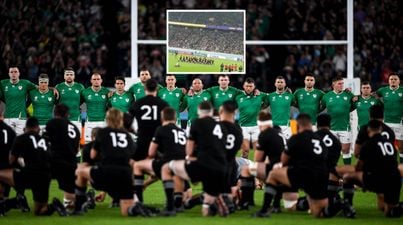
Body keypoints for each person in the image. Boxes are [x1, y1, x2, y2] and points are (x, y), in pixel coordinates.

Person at [253, 114, 328, 218]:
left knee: (274, 174)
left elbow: (283, 160)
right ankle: (339, 204)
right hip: (321, 176)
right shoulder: (319, 139)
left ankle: (266, 209)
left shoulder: (296, 138)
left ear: (298, 125)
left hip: (303, 174)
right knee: (318, 213)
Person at [160, 101, 228, 216]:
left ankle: (173, 205)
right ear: (211, 112)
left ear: (198, 111)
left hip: (203, 165)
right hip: (222, 167)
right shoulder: (222, 126)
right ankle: (209, 202)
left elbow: (189, 151)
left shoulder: (197, 123)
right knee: (207, 205)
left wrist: (189, 158)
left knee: (168, 168)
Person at [74, 108, 136, 216]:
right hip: (125, 175)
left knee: (80, 171)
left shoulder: (102, 132)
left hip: (106, 172)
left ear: (107, 119)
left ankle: (79, 206)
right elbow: (132, 158)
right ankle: (134, 208)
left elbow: (93, 155)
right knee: (126, 211)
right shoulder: (127, 135)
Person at [0, 117, 66, 216]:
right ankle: (54, 205)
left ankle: (13, 200)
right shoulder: (44, 140)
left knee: (1, 173)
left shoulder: (21, 138)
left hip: (30, 175)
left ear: (25, 128)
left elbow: (11, 160)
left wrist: (19, 165)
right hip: (45, 177)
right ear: (38, 128)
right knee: (39, 211)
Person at [343, 120, 402, 217]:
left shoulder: (368, 144)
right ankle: (398, 207)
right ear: (380, 129)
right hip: (394, 179)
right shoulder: (390, 143)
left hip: (376, 178)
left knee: (347, 177)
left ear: (368, 130)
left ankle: (347, 207)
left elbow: (359, 167)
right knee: (388, 212)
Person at [133, 107, 186, 204]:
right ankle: (178, 200)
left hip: (168, 163)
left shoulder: (161, 129)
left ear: (162, 118)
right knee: (186, 194)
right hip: (182, 165)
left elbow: (151, 153)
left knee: (138, 165)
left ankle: (139, 201)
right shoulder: (182, 131)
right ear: (175, 118)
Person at [239, 111, 287, 211]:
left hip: (275, 169)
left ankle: (247, 202)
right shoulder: (280, 133)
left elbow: (257, 159)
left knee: (247, 169)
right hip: (286, 170)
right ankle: (276, 204)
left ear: (259, 123)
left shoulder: (265, 134)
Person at [43, 104, 80, 212]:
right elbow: (77, 149)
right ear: (68, 114)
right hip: (71, 162)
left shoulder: (52, 123)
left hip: (55, 160)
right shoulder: (74, 127)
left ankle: (45, 204)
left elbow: (44, 142)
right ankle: (69, 205)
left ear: (55, 113)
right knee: (69, 189)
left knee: (41, 179)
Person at [129, 79, 168, 161]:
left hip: (142, 139)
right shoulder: (163, 104)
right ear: (156, 88)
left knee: (136, 163)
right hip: (158, 141)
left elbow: (126, 121)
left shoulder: (137, 103)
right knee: (158, 165)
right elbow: (168, 123)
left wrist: (133, 131)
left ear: (145, 88)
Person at [321, 76, 355, 165]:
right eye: (339, 83)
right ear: (333, 84)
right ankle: (331, 171)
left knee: (345, 150)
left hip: (345, 127)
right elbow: (320, 108)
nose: (341, 85)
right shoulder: (326, 96)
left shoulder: (348, 94)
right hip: (331, 128)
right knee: (330, 150)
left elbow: (355, 104)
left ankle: (347, 171)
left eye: (342, 83)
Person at [218, 100, 243, 212]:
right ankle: (234, 201)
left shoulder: (217, 127)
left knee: (213, 193)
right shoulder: (238, 129)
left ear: (221, 110)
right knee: (231, 186)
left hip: (217, 164)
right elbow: (239, 146)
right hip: (232, 164)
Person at [236, 78, 267, 158]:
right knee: (245, 149)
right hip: (243, 126)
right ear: (243, 86)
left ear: (254, 87)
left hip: (256, 126)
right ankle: (243, 167)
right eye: (247, 86)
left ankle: (255, 169)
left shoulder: (260, 95)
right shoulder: (238, 96)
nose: (248, 88)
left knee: (257, 150)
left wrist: (286, 93)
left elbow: (272, 97)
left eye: (250, 86)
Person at [0, 66, 37, 135]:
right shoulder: (2, 83)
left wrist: (53, 89)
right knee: (8, 140)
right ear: (9, 74)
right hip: (8, 117)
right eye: (11, 72)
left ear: (19, 73)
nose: (13, 74)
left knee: (20, 140)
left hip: (21, 118)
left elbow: (38, 88)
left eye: (15, 72)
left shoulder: (26, 83)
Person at [375, 73, 403, 162]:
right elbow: (372, 94)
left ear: (399, 81)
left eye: (395, 79)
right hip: (386, 123)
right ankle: (387, 166)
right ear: (388, 81)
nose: (393, 81)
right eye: (391, 79)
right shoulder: (383, 90)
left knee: (401, 148)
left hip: (400, 123)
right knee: (385, 146)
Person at [81, 73, 110, 142]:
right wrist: (83, 118)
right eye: (94, 79)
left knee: (104, 143)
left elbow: (110, 106)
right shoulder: (85, 92)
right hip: (89, 122)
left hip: (103, 122)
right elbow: (80, 105)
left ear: (101, 80)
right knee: (89, 143)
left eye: (98, 79)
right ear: (91, 81)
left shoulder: (107, 92)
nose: (96, 81)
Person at [0, 102, 17, 207]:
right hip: (8, 169)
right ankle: (8, 199)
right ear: (3, 113)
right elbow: (15, 153)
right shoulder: (10, 130)